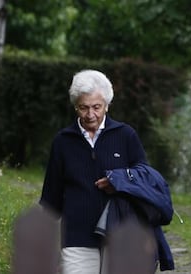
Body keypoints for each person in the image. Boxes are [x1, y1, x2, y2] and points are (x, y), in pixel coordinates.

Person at [39, 69, 153, 274]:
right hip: (77, 236)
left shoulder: (126, 135)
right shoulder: (63, 141)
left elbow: (145, 177)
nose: (90, 114)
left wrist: (118, 181)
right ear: (75, 107)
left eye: (96, 107)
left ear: (107, 105)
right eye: (84, 108)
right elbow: (51, 197)